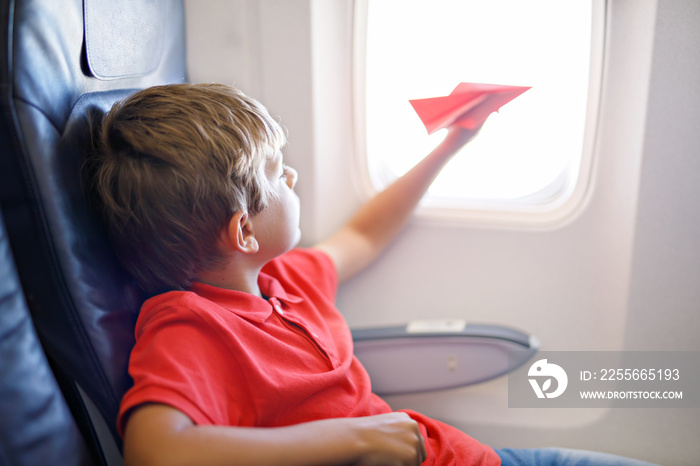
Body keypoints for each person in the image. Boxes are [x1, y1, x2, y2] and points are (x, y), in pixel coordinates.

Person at [86, 83, 657, 466]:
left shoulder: (285, 279)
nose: (293, 176)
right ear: (242, 233)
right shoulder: (190, 326)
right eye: (276, 172)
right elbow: (156, 450)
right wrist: (358, 435)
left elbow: (363, 234)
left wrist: (453, 143)